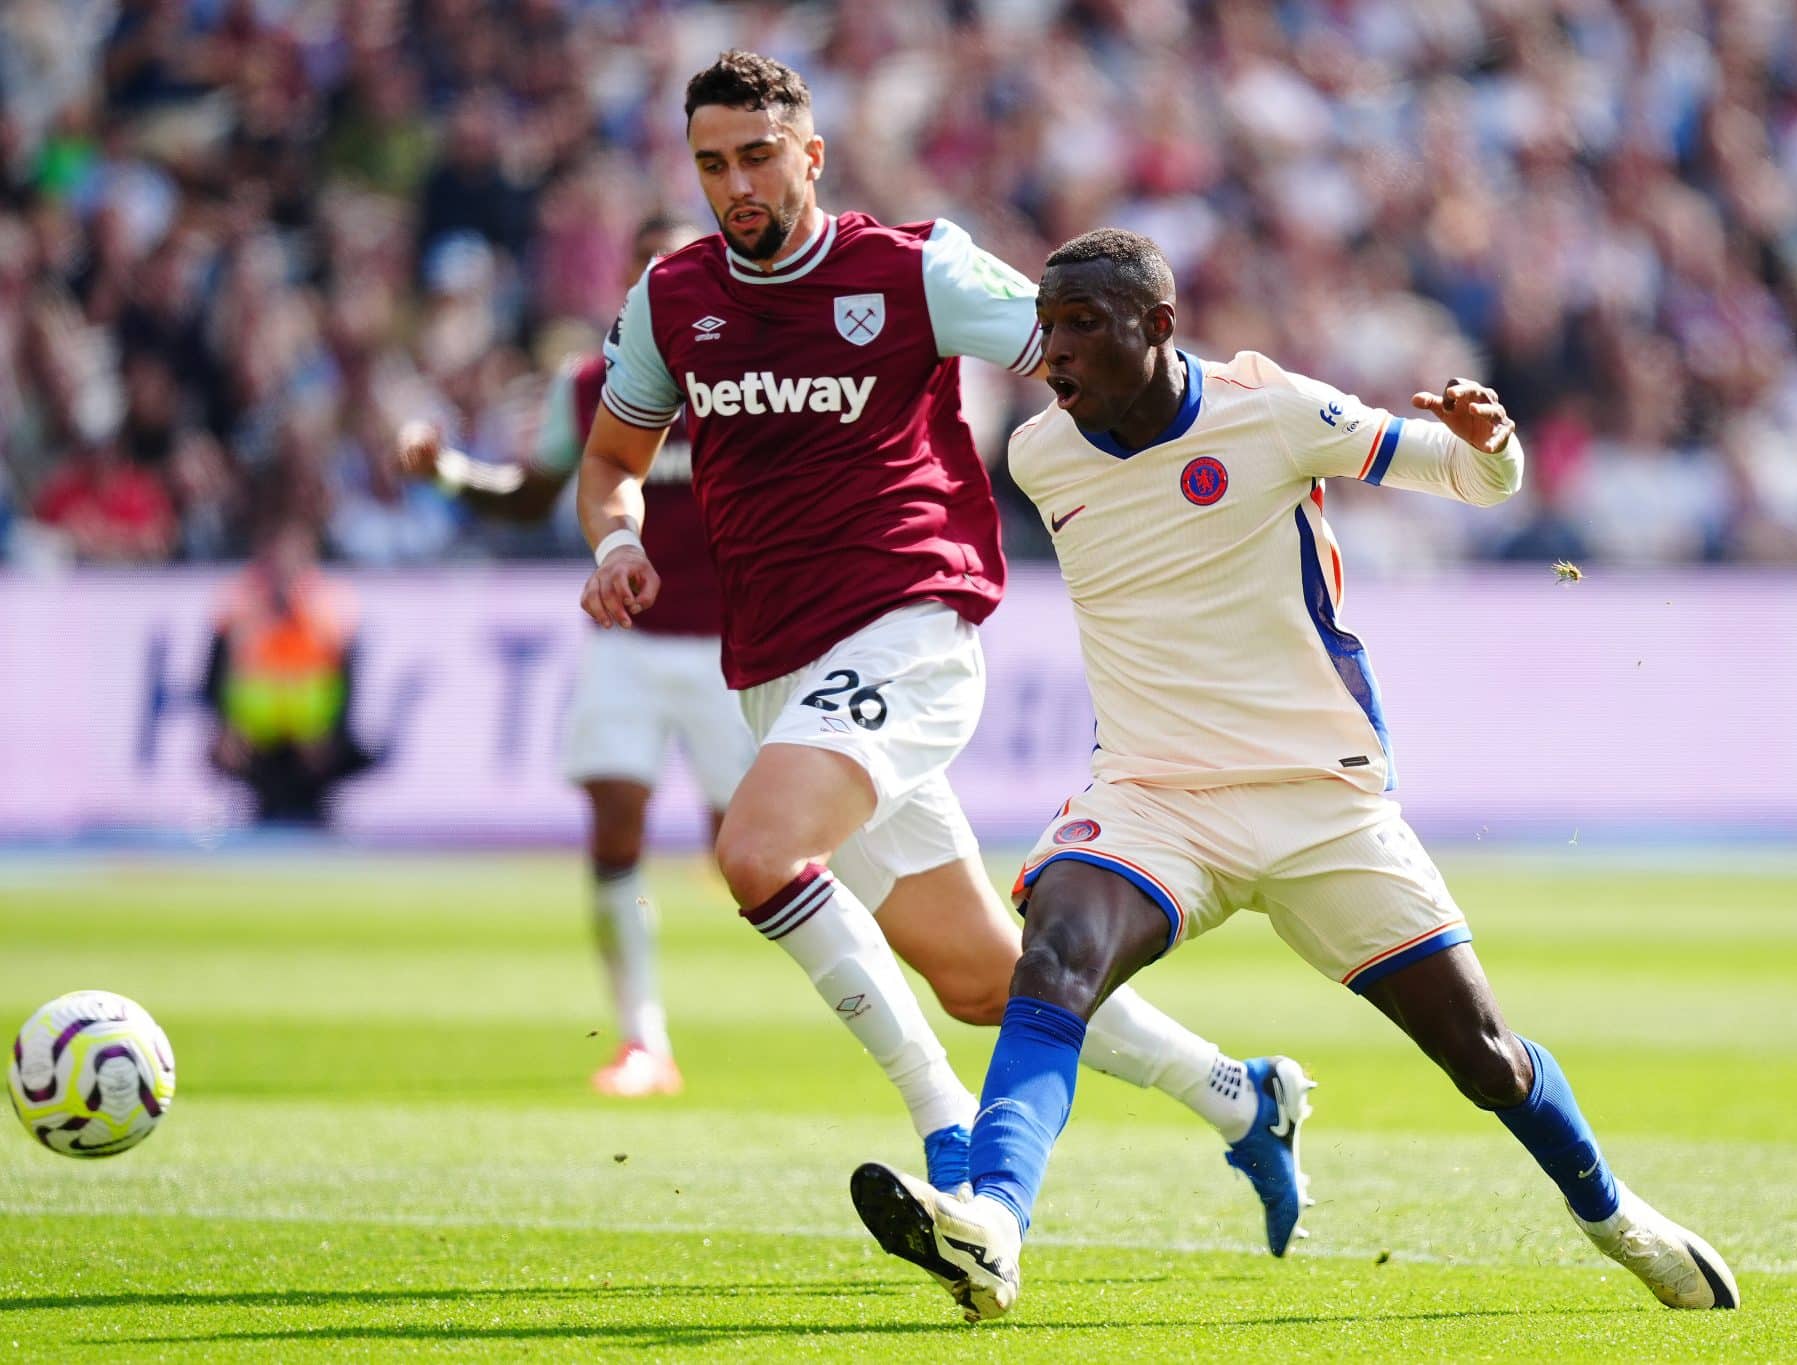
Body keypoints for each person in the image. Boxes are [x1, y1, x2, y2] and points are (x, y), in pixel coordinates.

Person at [848, 230, 1741, 1321]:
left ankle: (1617, 1221)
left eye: (1084, 325)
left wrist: (1492, 444)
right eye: (1050, 326)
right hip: (1153, 797)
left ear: (1158, 327)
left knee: (1483, 1060)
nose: (1056, 351)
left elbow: (1466, 474)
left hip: (1318, 801)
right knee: (1054, 960)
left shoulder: (1269, 413)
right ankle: (992, 1223)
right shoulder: (1043, 454)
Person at [576, 52, 1311, 1245]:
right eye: (712, 164)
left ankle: (946, 1133)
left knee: (757, 850)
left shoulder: (913, 268)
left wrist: (1254, 436)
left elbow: (1095, 353)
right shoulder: (672, 299)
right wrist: (615, 543)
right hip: (775, 665)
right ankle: (1242, 1099)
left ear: (809, 154)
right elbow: (611, 463)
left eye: (758, 157)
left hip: (907, 627)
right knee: (983, 981)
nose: (736, 186)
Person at [395, 216, 754, 1098]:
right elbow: (533, 497)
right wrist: (451, 473)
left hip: (735, 649)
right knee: (614, 827)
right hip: (625, 644)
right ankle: (643, 1039)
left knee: (751, 856)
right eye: (647, 276)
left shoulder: (752, 382)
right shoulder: (591, 386)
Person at [203, 518, 376, 825]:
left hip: (313, 730)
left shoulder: (328, 605)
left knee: (343, 757)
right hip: (256, 730)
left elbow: (345, 680)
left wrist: (329, 730)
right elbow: (215, 677)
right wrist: (227, 726)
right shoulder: (240, 603)